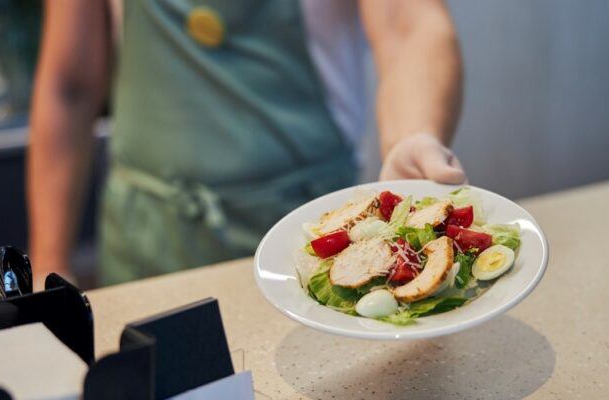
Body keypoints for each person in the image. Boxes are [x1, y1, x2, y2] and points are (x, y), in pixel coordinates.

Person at [27, 0, 465, 287]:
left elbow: (409, 26)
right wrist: (49, 265)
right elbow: (70, 87)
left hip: (308, 237)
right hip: (144, 241)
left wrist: (413, 134)